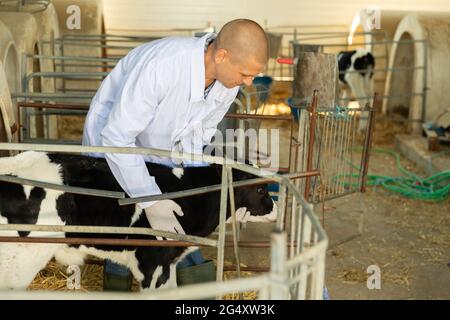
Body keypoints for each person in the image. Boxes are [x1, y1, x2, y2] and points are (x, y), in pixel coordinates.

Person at [82, 19, 269, 291]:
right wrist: (149, 197)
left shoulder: (228, 84)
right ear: (222, 55)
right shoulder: (164, 67)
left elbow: (200, 134)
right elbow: (117, 136)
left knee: (175, 225)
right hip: (115, 148)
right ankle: (117, 290)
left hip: (163, 154)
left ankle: (195, 292)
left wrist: (207, 195)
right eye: (246, 73)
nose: (249, 82)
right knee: (124, 223)